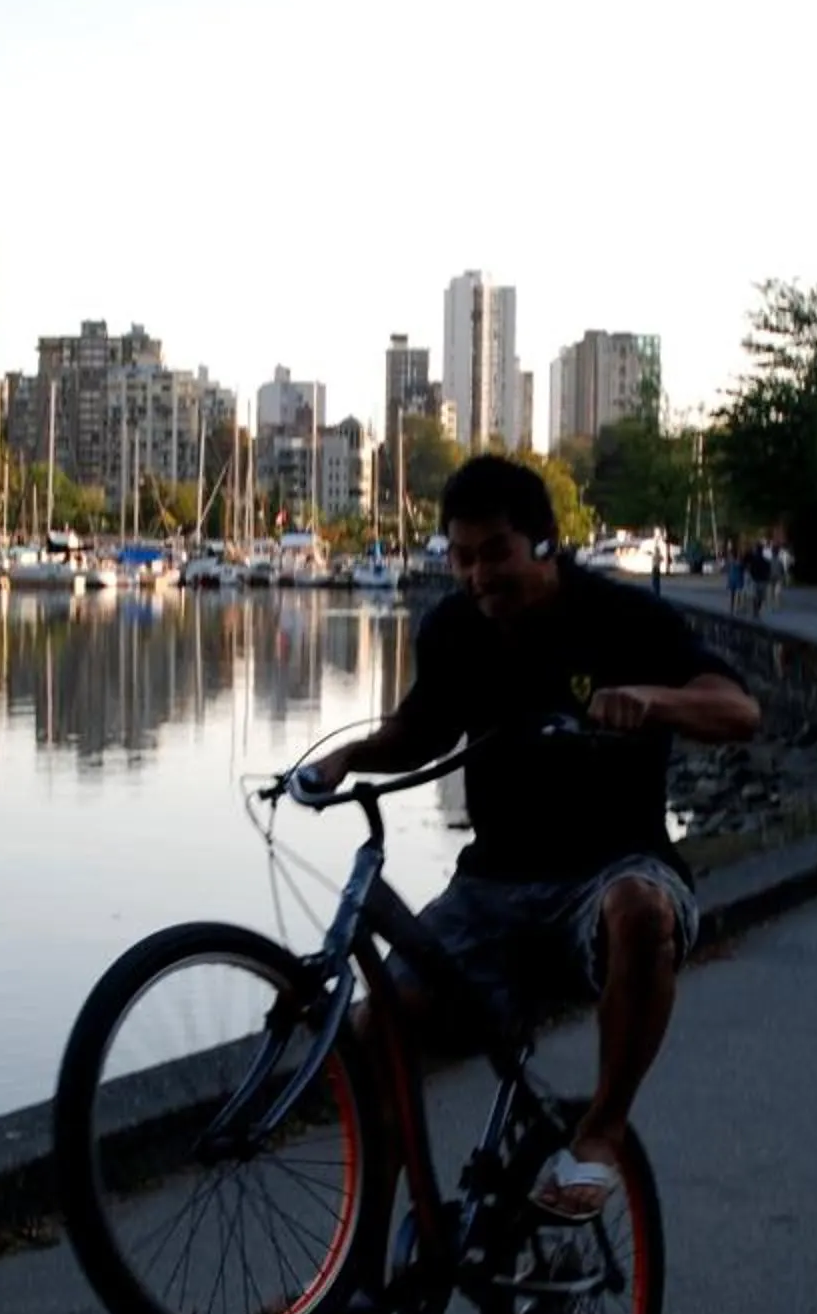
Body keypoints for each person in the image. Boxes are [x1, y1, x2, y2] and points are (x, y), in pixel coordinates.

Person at [300, 455, 761, 1243]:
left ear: (546, 541)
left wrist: (651, 700)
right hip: (491, 887)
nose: (477, 575)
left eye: (495, 553)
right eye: (461, 556)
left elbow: (739, 711)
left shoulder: (622, 618)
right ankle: (366, 1264)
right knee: (378, 1032)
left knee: (640, 911)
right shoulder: (454, 628)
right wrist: (345, 758)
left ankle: (601, 1134)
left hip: (613, 866)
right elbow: (421, 731)